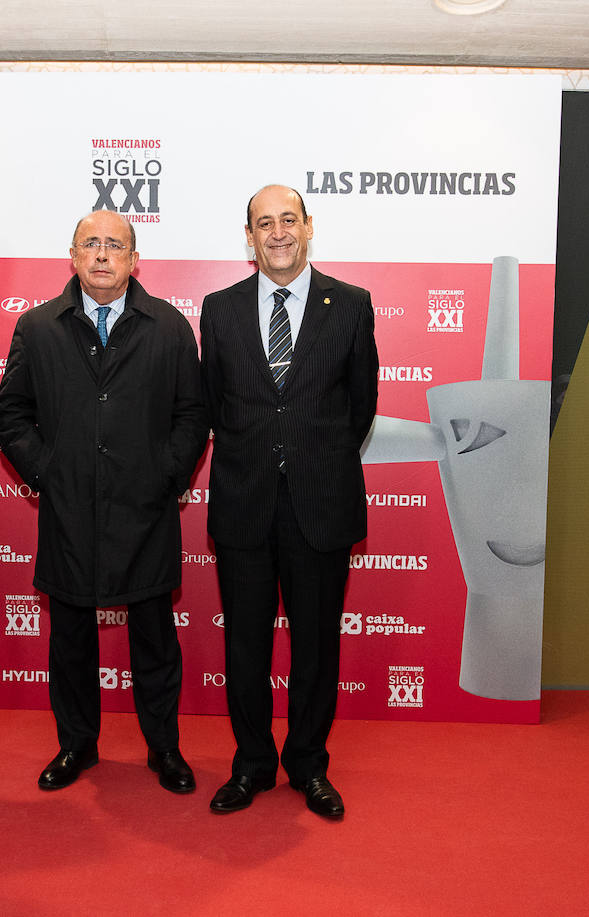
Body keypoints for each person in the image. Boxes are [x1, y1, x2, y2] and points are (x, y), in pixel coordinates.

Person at [0, 209, 208, 794]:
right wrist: (50, 474)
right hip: (68, 514)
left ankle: (164, 748)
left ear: (135, 259)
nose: (103, 254)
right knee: (70, 641)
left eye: (116, 244)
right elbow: (9, 415)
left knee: (155, 640)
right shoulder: (38, 328)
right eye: (91, 243)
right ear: (73, 255)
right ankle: (77, 746)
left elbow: (192, 416)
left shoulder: (168, 327)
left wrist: (166, 475)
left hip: (146, 513)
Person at [200, 184, 378, 819]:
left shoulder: (351, 306)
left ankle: (307, 763)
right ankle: (251, 764)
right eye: (263, 223)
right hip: (244, 502)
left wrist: (310, 459)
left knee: (316, 647)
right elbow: (213, 403)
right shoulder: (218, 310)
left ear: (309, 227)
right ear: (248, 237)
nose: (277, 233)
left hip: (320, 503)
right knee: (244, 645)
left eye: (288, 220)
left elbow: (361, 408)